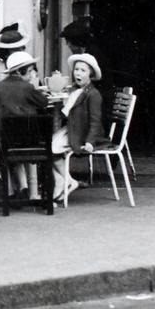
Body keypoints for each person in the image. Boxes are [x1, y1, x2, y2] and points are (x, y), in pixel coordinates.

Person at [0, 50, 50, 201]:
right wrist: (34, 86)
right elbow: (44, 102)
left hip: (2, 141)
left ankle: (11, 191)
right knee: (15, 146)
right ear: (19, 72)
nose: (31, 75)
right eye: (29, 72)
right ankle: (24, 188)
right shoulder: (28, 88)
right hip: (27, 139)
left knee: (5, 149)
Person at [53, 54, 105, 202]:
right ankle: (65, 181)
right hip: (73, 129)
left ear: (91, 75)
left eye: (83, 70)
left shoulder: (93, 94)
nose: (78, 73)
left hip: (83, 134)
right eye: (76, 69)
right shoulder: (74, 90)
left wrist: (90, 141)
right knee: (48, 147)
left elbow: (95, 121)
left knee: (50, 149)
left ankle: (65, 181)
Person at [0, 23, 29, 88]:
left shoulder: (28, 66)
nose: (20, 52)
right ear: (5, 51)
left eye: (22, 48)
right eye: (15, 49)